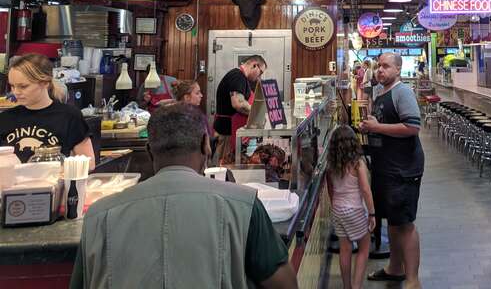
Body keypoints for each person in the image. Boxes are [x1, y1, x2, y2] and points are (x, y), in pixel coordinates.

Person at [69, 104, 298, 289]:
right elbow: (285, 283)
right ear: (206, 145)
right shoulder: (244, 204)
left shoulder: (98, 216)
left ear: (149, 151)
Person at [359, 52, 424, 289]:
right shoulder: (380, 92)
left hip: (403, 168)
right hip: (386, 167)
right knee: (393, 222)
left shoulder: (402, 92)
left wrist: (378, 127)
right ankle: (395, 269)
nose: (380, 70)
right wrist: (369, 127)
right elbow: (383, 124)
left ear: (398, 69)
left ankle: (413, 280)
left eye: (386, 66)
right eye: (379, 66)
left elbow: (412, 127)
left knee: (405, 224)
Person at [0, 54, 94, 167]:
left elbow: (89, 163)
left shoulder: (69, 116)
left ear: (45, 83)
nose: (16, 92)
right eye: (12, 86)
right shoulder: (5, 119)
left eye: (23, 86)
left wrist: (62, 171)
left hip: (55, 178)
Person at [327, 125, 376, 289]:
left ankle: (347, 286)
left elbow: (331, 190)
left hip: (337, 210)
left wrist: (335, 205)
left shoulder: (331, 165)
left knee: (345, 249)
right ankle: (356, 286)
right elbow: (366, 190)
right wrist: (372, 214)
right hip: (354, 210)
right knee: (364, 247)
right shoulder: (357, 164)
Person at [213, 55, 266, 164]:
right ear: (254, 65)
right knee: (225, 166)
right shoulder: (238, 77)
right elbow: (239, 104)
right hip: (227, 132)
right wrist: (257, 115)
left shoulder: (241, 78)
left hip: (230, 131)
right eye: (260, 72)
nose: (259, 77)